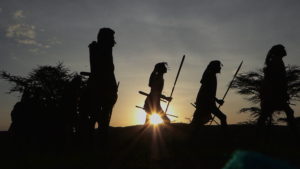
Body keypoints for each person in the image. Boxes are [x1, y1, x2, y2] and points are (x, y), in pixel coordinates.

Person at [257, 44, 296, 131]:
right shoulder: (276, 62)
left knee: (264, 115)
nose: (285, 50)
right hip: (274, 94)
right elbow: (276, 80)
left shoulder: (276, 61)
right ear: (279, 52)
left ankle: (257, 136)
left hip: (272, 94)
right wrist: (281, 93)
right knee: (288, 112)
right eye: (283, 49)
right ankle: (295, 136)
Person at [87, 28, 118, 132]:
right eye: (112, 38)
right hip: (102, 87)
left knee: (99, 115)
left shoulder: (97, 48)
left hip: (102, 86)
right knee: (101, 116)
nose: (114, 41)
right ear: (106, 39)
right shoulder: (101, 49)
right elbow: (101, 69)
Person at [191, 60, 227, 126]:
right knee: (222, 117)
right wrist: (217, 100)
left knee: (198, 121)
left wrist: (216, 100)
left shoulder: (210, 75)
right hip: (206, 102)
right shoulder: (210, 75)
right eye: (218, 66)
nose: (220, 68)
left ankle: (192, 134)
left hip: (205, 101)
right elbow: (207, 92)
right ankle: (225, 136)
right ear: (214, 67)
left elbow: (208, 92)